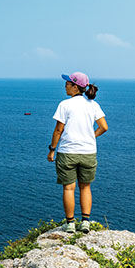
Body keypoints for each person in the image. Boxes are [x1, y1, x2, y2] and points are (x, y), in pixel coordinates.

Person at [47, 72, 107, 234]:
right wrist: (90, 136)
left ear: (75, 86)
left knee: (68, 188)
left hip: (68, 152)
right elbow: (104, 127)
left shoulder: (65, 105)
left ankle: (70, 224)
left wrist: (52, 150)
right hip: (88, 152)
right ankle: (85, 222)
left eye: (67, 83)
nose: (65, 86)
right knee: (85, 187)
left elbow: (59, 130)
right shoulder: (93, 105)